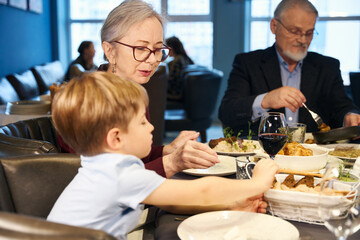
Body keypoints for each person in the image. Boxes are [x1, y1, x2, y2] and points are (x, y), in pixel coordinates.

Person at [47, 71, 279, 240]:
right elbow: (203, 191)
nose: (151, 127)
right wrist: (256, 182)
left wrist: (230, 207)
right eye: (141, 121)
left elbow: (170, 199)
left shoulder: (100, 167)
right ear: (115, 138)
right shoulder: (119, 174)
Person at [96, 0, 219, 178]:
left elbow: (134, 158)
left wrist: (168, 150)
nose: (153, 59)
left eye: (157, 49)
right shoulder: (90, 101)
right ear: (110, 51)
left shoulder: (134, 92)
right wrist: (171, 162)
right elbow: (110, 181)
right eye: (140, 48)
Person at [218, 0, 360, 136]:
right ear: (274, 26)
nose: (303, 40)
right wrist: (265, 100)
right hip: (263, 154)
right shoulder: (247, 63)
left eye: (309, 33)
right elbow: (227, 112)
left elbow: (343, 107)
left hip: (314, 155)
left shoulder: (328, 67)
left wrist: (349, 116)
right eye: (295, 31)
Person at [165, 36, 194, 101]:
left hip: (175, 95)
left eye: (167, 47)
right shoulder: (187, 59)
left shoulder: (176, 62)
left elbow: (171, 83)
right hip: (184, 94)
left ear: (172, 48)